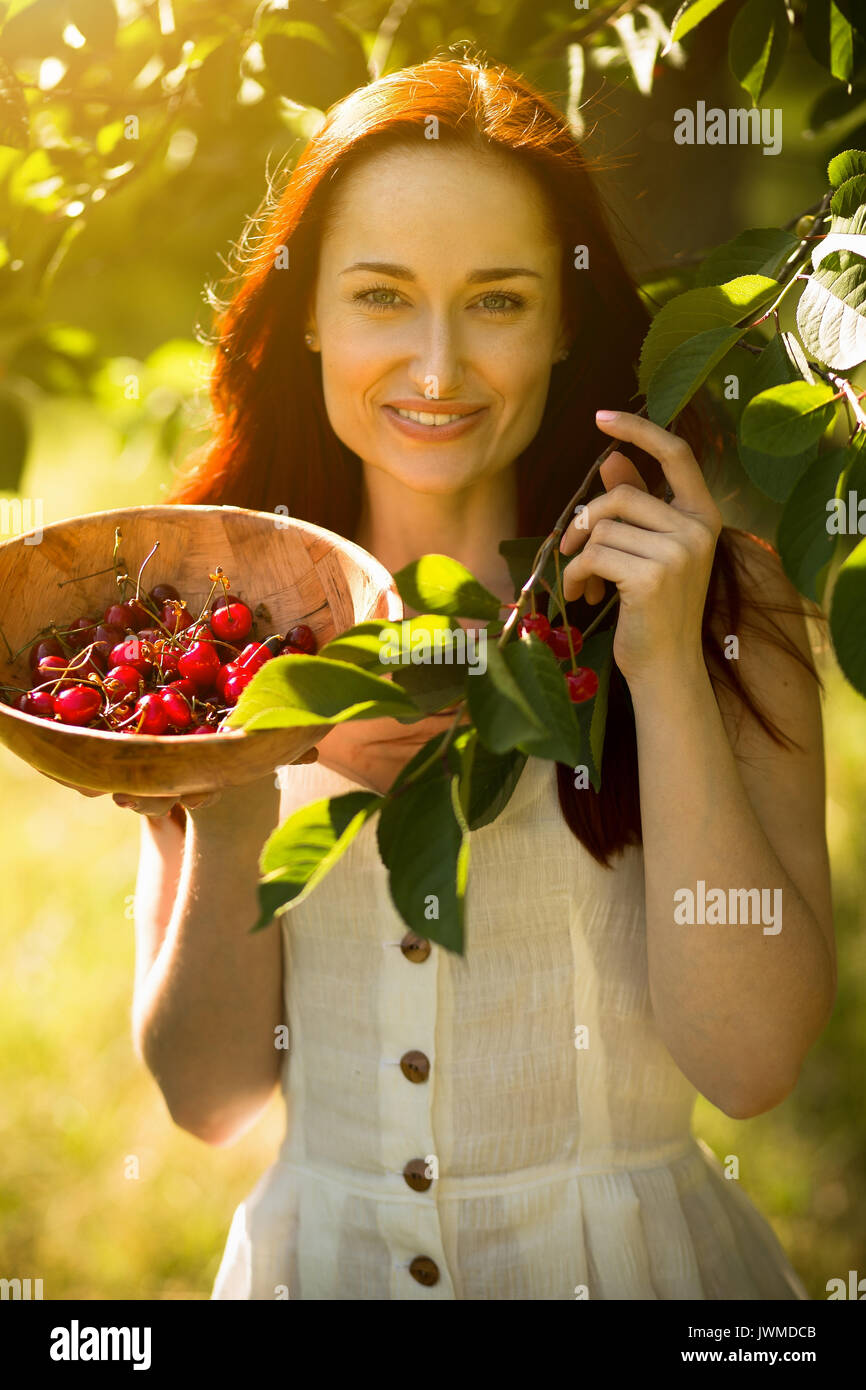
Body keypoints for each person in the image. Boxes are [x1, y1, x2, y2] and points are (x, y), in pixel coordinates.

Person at [91, 55, 836, 1298]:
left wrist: (658, 672)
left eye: (496, 302)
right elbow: (208, 1097)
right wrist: (245, 769)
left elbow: (751, 1064)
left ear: (562, 324)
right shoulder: (219, 618)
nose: (436, 370)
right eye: (382, 295)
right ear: (311, 313)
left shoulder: (712, 600)